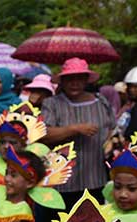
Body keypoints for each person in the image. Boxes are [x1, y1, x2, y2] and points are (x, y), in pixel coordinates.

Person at [41, 59, 115, 208]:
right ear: (62, 81)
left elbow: (111, 129)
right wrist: (74, 129)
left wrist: (110, 141)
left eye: (79, 78)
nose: (74, 83)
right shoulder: (52, 104)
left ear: (86, 80)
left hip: (94, 178)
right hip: (62, 182)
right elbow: (43, 134)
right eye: (69, 79)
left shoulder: (101, 102)